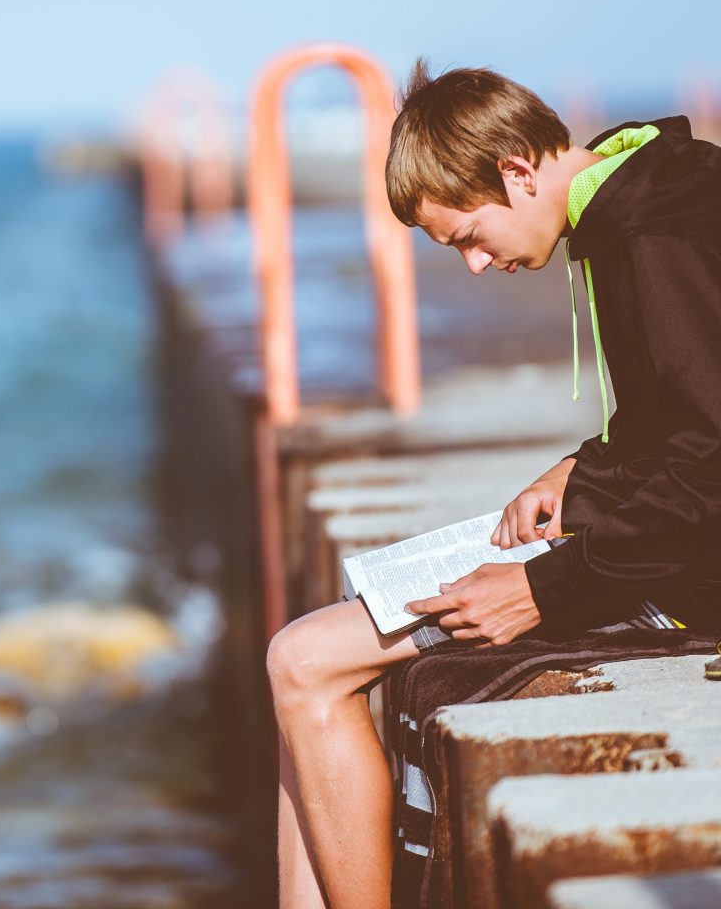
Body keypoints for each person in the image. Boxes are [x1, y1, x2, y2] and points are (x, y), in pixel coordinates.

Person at [265, 60, 721, 909]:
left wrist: (542, 590)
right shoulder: (644, 200)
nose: (474, 265)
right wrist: (581, 469)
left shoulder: (657, 240)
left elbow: (708, 469)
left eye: (468, 235)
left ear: (517, 170)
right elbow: (683, 421)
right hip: (668, 551)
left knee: (304, 664)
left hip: (695, 585)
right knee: (299, 662)